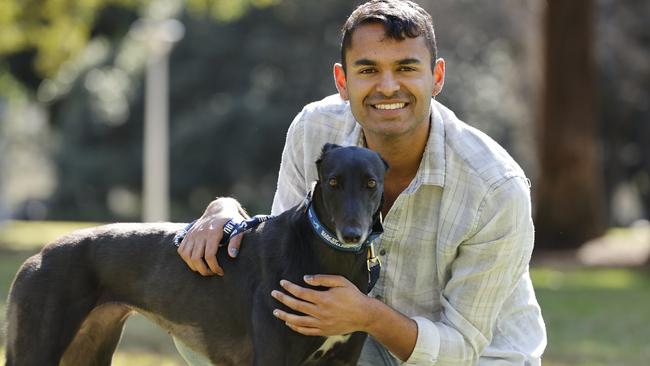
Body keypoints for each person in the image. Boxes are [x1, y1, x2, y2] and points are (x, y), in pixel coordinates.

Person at [177, 0, 547, 364]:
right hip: (354, 339)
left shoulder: (495, 186)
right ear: (343, 80)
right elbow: (282, 260)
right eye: (368, 70)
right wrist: (228, 212)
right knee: (207, 327)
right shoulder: (314, 130)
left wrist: (367, 314)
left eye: (405, 68)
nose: (387, 87)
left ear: (436, 78)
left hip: (477, 357)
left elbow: (461, 349)